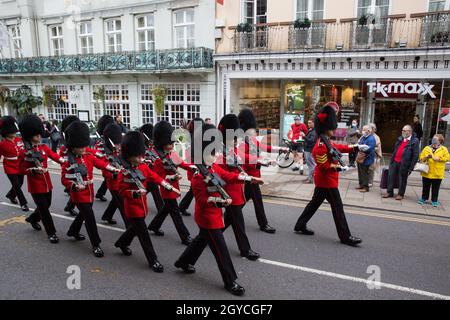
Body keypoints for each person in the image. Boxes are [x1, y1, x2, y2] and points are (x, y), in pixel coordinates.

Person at [175, 123, 263, 296]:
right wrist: (220, 202)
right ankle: (230, 281)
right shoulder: (198, 177)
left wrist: (248, 179)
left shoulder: (212, 168)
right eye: (212, 153)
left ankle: (184, 262)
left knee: (201, 240)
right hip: (208, 218)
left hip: (214, 215)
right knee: (221, 250)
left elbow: (227, 176)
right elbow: (202, 200)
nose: (216, 157)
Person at [294, 104, 368, 247]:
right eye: (332, 128)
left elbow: (337, 147)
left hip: (326, 181)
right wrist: (341, 168)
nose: (334, 130)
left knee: (314, 203)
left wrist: (355, 147)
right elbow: (324, 167)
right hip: (326, 181)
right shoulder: (321, 145)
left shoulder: (326, 140)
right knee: (338, 208)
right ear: (327, 128)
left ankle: (300, 225)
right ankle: (345, 236)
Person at [115, 131, 180, 272]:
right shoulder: (123, 172)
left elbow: (154, 177)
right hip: (133, 207)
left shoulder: (143, 167)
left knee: (134, 229)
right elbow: (121, 191)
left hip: (142, 206)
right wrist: (134, 193)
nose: (140, 158)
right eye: (137, 156)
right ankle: (153, 260)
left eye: (141, 155)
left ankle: (121, 243)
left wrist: (168, 186)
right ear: (129, 156)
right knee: (143, 234)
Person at [61, 121, 119, 257]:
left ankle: (73, 231)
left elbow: (100, 163)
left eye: (84, 146)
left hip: (90, 191)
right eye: (79, 147)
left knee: (83, 214)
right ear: (72, 146)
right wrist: (73, 186)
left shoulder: (87, 155)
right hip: (79, 193)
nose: (83, 149)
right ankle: (96, 244)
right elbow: (64, 179)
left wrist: (113, 168)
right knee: (90, 218)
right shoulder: (69, 161)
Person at [216, 114, 262, 261]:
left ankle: (205, 240)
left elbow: (239, 162)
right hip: (230, 192)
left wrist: (257, 162)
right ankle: (245, 249)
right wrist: (246, 177)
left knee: (225, 223)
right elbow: (226, 173)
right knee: (238, 223)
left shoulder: (229, 148)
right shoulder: (221, 150)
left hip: (237, 191)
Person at [19, 114, 65, 243]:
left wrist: (65, 162)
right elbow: (20, 169)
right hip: (35, 185)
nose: (39, 136)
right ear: (29, 136)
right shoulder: (24, 152)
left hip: (47, 183)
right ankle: (52, 233)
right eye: (36, 135)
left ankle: (33, 218)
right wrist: (32, 170)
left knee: (47, 204)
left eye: (39, 134)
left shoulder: (43, 148)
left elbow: (55, 156)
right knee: (44, 210)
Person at [148, 121, 194, 245]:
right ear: (162, 143)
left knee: (165, 209)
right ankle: (185, 236)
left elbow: (181, 163)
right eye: (170, 143)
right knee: (175, 213)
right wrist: (171, 178)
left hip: (174, 186)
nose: (172, 145)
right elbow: (159, 177)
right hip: (167, 189)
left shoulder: (171, 153)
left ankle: (154, 226)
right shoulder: (158, 159)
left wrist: (193, 168)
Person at [382, 125, 420, 200]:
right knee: (391, 177)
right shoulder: (400, 138)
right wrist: (392, 160)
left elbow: (415, 155)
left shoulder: (415, 141)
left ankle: (400, 194)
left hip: (405, 164)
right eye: (402, 130)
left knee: (402, 179)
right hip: (395, 161)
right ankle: (389, 192)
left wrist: (411, 167)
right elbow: (396, 150)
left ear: (409, 132)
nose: (402, 132)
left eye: (404, 130)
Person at [0, 116, 29, 211]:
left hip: (20, 165)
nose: (14, 134)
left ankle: (10, 195)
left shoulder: (19, 140)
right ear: (6, 133)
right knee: (16, 185)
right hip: (9, 167)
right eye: (11, 133)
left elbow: (24, 150)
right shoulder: (2, 144)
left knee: (20, 183)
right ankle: (23, 203)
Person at [100, 123, 127, 225]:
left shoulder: (118, 150)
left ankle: (107, 216)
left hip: (120, 181)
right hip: (113, 183)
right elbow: (104, 171)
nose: (118, 145)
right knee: (122, 205)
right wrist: (114, 174)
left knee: (115, 202)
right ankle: (130, 225)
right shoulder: (106, 153)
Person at [179, 118, 204, 216]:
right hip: (195, 166)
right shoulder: (193, 138)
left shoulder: (192, 136)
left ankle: (182, 207)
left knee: (193, 190)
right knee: (196, 189)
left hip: (196, 165)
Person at [417, 134, 450, 207]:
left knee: (436, 188)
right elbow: (421, 157)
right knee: (425, 186)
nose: (433, 140)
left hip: (437, 172)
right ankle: (423, 198)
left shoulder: (443, 149)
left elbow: (448, 158)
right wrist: (426, 157)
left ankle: (434, 200)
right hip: (427, 171)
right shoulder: (427, 148)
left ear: (440, 141)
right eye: (433, 139)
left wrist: (439, 159)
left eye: (435, 139)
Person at [140, 123, 165, 215]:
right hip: (145, 172)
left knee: (149, 188)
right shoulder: (141, 145)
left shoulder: (150, 144)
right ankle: (161, 209)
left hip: (151, 171)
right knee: (154, 188)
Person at [94, 115, 115, 202]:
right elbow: (99, 155)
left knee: (107, 180)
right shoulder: (101, 142)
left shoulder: (110, 139)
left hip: (111, 161)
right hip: (104, 163)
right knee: (109, 180)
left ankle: (100, 193)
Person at [355, 125, 376, 192]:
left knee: (365, 173)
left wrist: (363, 147)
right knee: (360, 172)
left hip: (367, 158)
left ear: (369, 131)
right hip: (360, 156)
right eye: (362, 130)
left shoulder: (371, 138)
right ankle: (361, 184)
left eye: (364, 130)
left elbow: (370, 148)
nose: (362, 131)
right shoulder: (363, 137)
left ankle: (366, 187)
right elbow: (359, 143)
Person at [368, 123, 382, 187]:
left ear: (374, 129)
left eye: (371, 128)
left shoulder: (376, 137)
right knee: (366, 168)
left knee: (371, 168)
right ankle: (365, 181)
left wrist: (371, 148)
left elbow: (378, 147)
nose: (369, 130)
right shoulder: (367, 135)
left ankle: (370, 182)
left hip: (373, 155)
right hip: (366, 154)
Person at [303, 119, 318, 183]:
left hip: (310, 150)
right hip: (308, 149)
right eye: (308, 123)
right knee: (310, 165)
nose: (308, 124)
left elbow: (311, 141)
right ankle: (310, 177)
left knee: (311, 165)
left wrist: (304, 137)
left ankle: (311, 179)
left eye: (310, 123)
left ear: (314, 123)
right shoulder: (311, 130)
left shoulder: (314, 131)